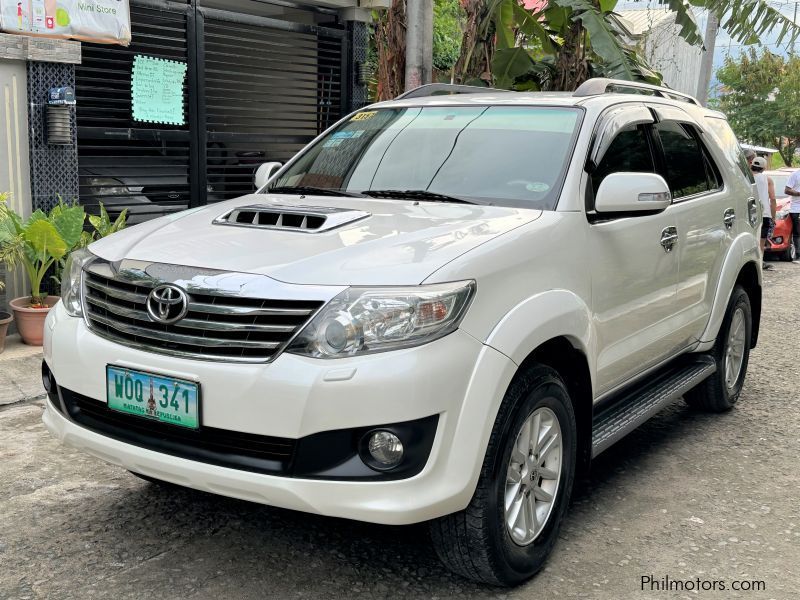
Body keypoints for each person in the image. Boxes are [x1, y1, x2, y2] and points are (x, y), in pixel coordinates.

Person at [751, 157, 776, 269]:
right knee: (761, 243)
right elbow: (773, 199)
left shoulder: (746, 178)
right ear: (764, 167)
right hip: (764, 214)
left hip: (750, 214)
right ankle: (759, 264)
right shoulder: (768, 180)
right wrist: (773, 218)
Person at [783, 166, 800, 260]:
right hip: (797, 209)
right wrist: (798, 193)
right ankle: (798, 254)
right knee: (797, 232)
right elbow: (786, 190)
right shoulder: (795, 175)